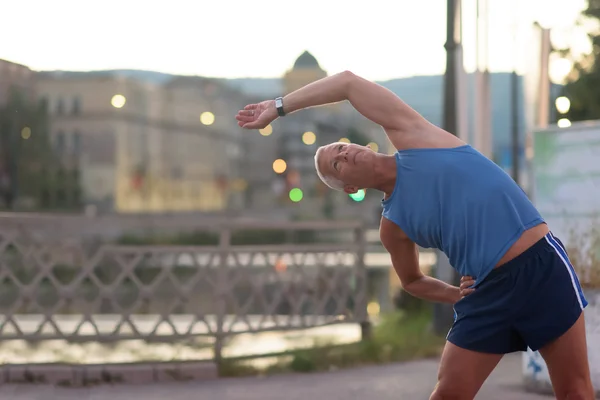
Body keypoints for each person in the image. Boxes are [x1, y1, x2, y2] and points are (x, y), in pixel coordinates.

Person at [235, 71, 594, 399]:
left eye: (341, 146)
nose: (345, 153)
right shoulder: (392, 226)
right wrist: (456, 294)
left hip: (540, 266)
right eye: (337, 162)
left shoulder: (416, 138)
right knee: (448, 393)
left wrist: (278, 107)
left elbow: (346, 83)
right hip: (487, 293)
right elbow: (412, 280)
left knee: (575, 391)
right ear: (348, 187)